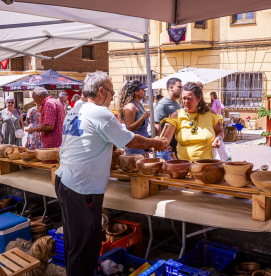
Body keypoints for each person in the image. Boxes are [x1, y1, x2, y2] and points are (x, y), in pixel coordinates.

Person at [54, 71, 166, 276]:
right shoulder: (100, 113)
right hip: (81, 186)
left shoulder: (76, 108)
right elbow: (130, 140)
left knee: (74, 242)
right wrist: (155, 143)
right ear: (101, 91)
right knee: (85, 246)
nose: (114, 96)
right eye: (112, 92)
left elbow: (87, 138)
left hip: (65, 181)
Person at [161, 82, 224, 161]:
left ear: (199, 98)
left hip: (207, 166)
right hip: (184, 166)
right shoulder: (177, 115)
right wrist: (160, 143)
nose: (186, 101)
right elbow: (167, 137)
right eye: (184, 98)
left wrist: (218, 138)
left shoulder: (210, 113)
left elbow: (220, 131)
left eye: (189, 98)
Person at [118, 80, 150, 156]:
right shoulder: (130, 107)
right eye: (142, 89)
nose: (144, 91)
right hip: (135, 147)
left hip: (143, 145)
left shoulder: (139, 105)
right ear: (136, 92)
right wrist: (142, 117)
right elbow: (129, 128)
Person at [154, 77, 182, 160]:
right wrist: (164, 144)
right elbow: (157, 127)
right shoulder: (162, 105)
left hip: (175, 146)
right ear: (171, 88)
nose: (181, 89)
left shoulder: (176, 103)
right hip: (166, 149)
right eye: (179, 87)